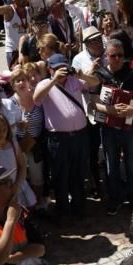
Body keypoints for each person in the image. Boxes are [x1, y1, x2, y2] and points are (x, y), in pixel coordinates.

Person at [34, 54, 98, 217]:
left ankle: (79, 206)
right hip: (59, 139)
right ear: (50, 69)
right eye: (57, 68)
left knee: (79, 172)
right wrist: (54, 80)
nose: (61, 72)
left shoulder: (73, 80)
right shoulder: (45, 84)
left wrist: (80, 74)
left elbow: (95, 82)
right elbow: (37, 99)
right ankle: (63, 210)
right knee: (60, 174)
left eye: (63, 68)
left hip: (80, 135)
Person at [95, 39, 133, 214]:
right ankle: (114, 201)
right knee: (111, 166)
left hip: (131, 127)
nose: (117, 59)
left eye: (120, 55)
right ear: (106, 57)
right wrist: (111, 109)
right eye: (113, 55)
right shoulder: (100, 75)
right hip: (109, 127)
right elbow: (94, 104)